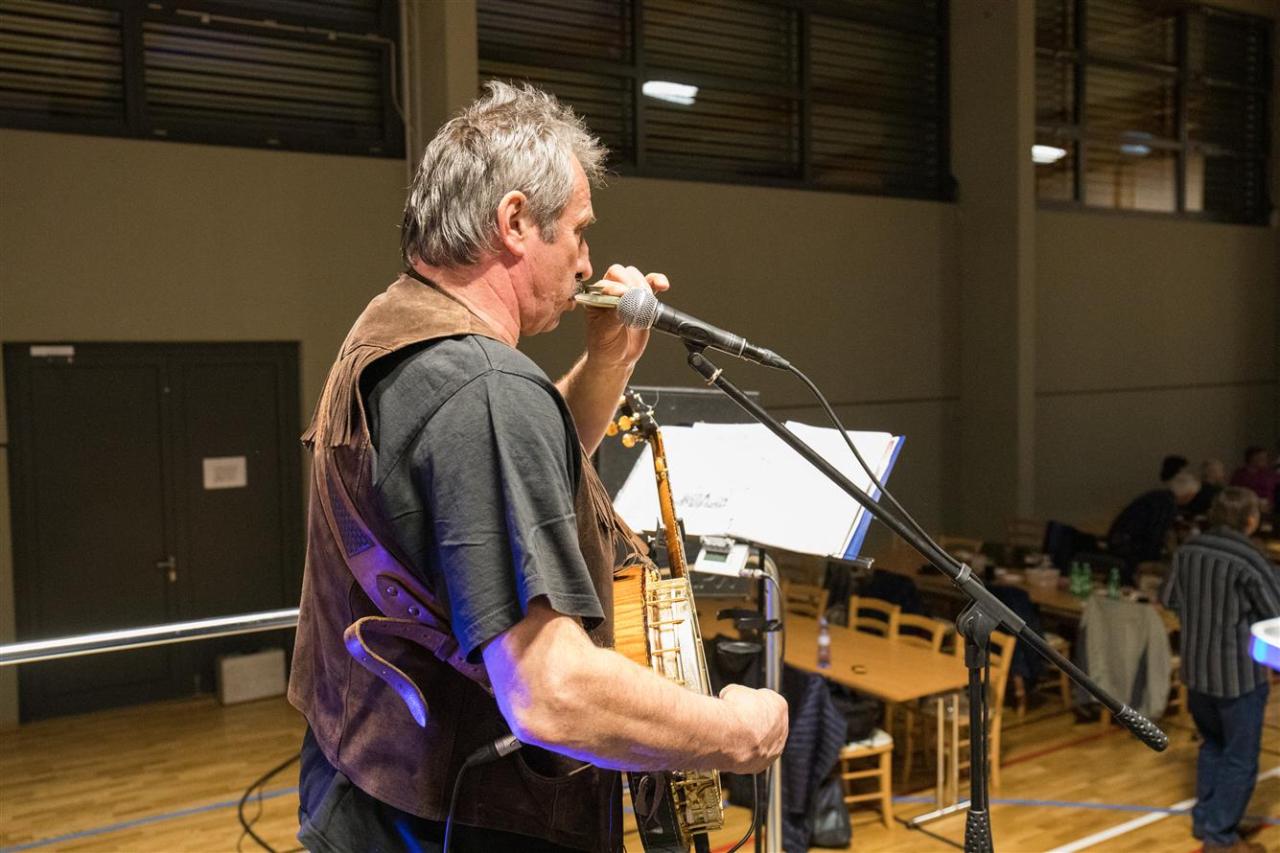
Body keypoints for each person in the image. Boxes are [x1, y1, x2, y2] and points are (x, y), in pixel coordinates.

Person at [287, 82, 788, 852]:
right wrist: (731, 731)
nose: (587, 261)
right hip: (464, 825)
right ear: (516, 220)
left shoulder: (395, 334)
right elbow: (548, 690)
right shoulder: (487, 387)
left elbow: (496, 493)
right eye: (580, 231)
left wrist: (606, 362)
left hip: (363, 794)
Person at [1162, 487, 1280, 853]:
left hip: (1197, 670)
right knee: (1240, 758)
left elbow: (1168, 599)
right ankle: (1220, 836)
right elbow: (1275, 613)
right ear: (1251, 520)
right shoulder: (1250, 558)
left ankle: (1207, 820)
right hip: (1238, 675)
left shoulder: (1188, 550)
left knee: (1212, 746)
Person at [1106, 471, 1200, 582]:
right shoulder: (1168, 505)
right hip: (1130, 550)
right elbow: (1155, 535)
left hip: (1119, 542)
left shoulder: (1156, 496)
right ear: (1188, 495)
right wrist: (1153, 560)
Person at [1230, 446, 1278, 512]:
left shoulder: (1269, 474)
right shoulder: (1240, 474)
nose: (1265, 460)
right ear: (1251, 458)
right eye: (1260, 457)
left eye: (1265, 457)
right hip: (1248, 508)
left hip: (1270, 508)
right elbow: (1234, 493)